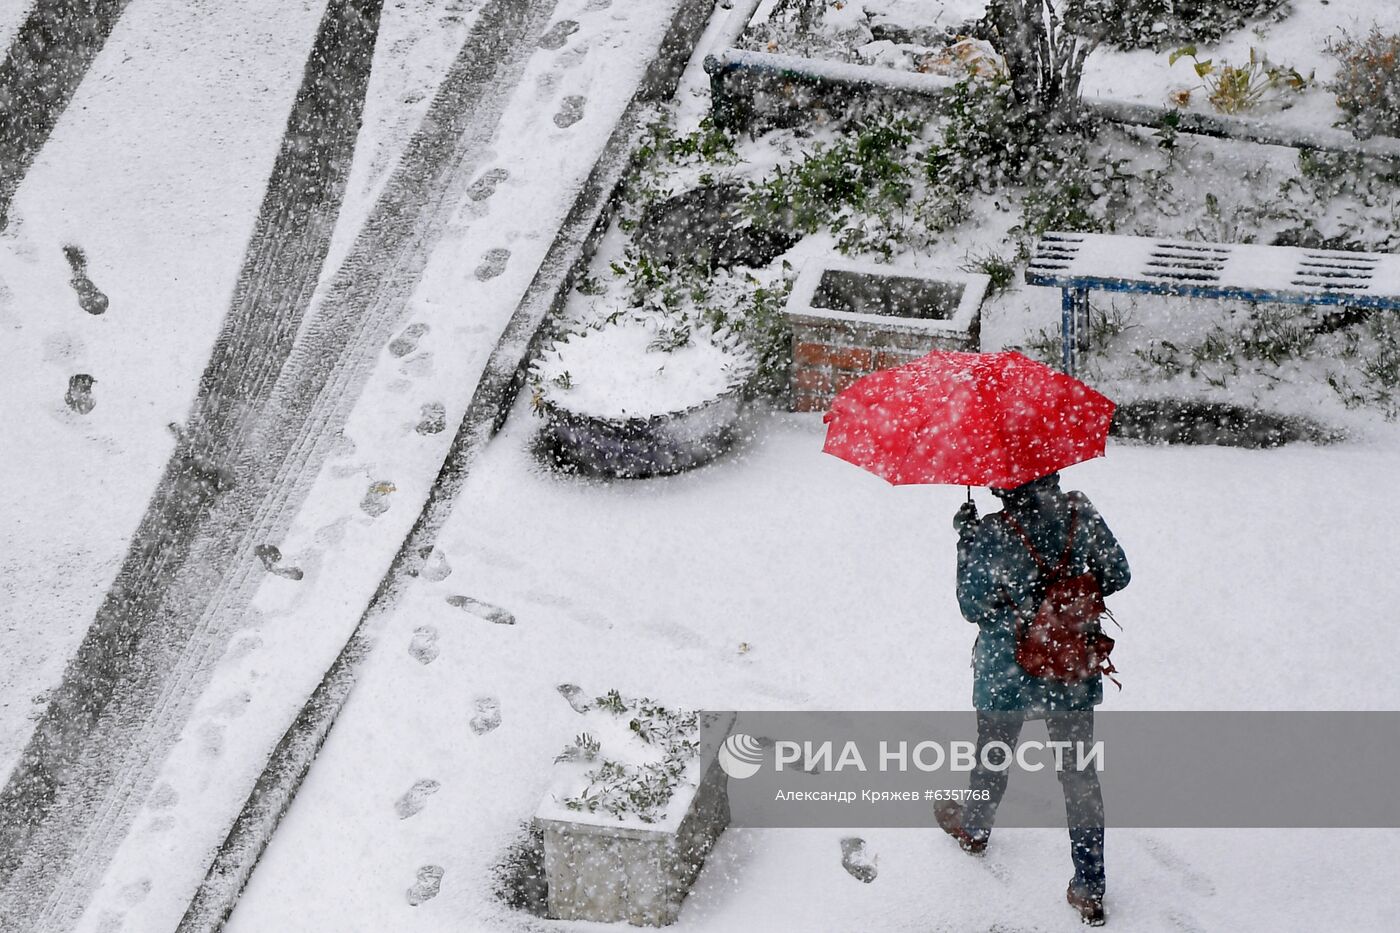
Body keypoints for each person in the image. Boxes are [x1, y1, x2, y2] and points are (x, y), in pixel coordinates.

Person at [935, 472, 1130, 927]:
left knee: (995, 753)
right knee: (1079, 775)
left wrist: (966, 538)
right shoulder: (1080, 511)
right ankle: (1089, 885)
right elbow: (1118, 574)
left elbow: (972, 606)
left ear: (1000, 486)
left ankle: (975, 827)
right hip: (1069, 663)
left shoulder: (989, 533)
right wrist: (1066, 591)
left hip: (1008, 670)